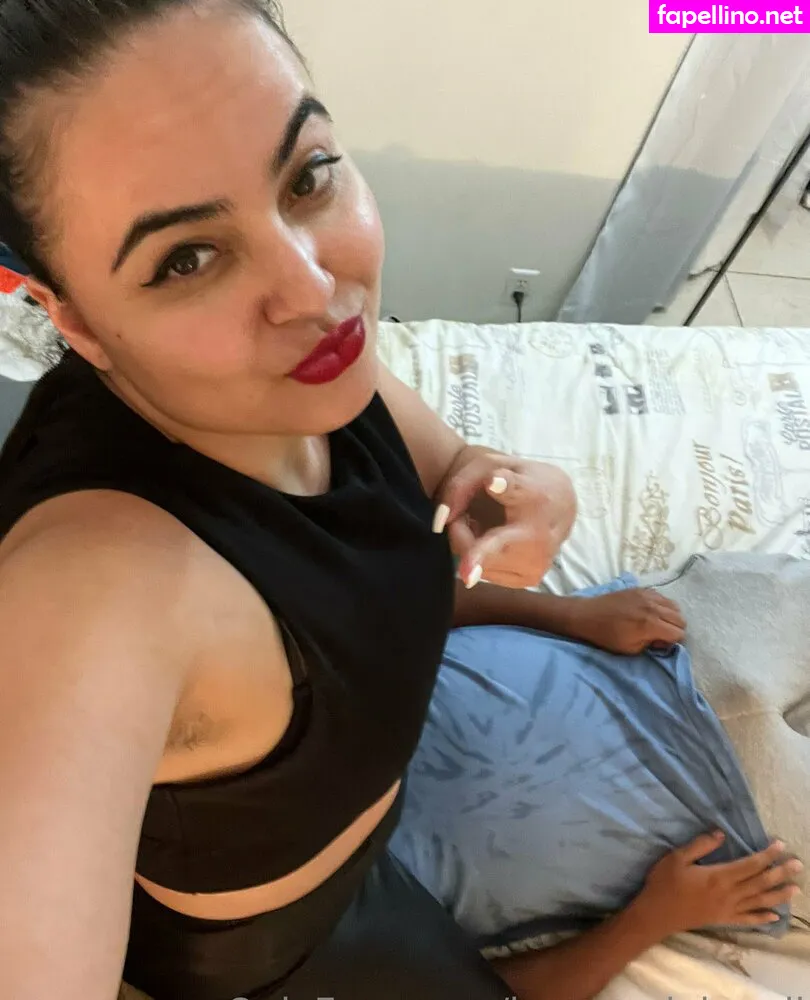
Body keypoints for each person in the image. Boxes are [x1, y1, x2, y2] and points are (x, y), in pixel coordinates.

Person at [0, 3, 798, 999]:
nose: (312, 288)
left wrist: (534, 518)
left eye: (306, 177)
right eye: (186, 259)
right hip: (290, 938)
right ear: (70, 318)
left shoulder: (310, 371)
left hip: (369, 799)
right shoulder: (93, 590)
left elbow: (418, 523)